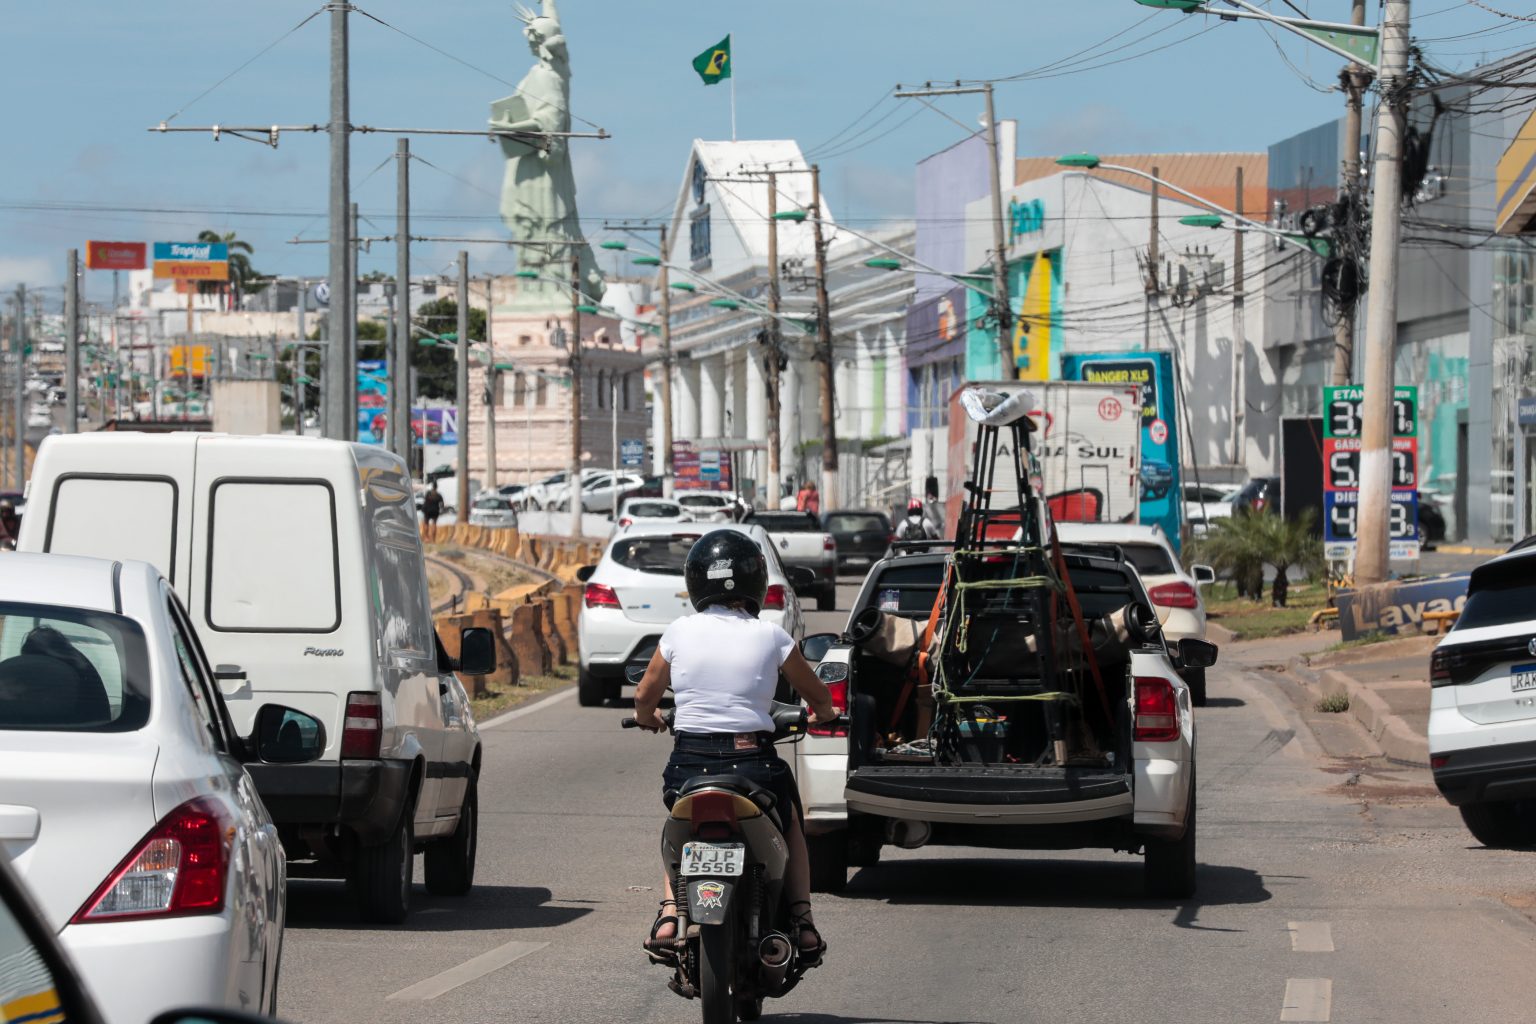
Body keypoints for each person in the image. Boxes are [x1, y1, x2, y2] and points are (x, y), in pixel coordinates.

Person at [633, 529, 837, 964]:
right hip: (755, 764)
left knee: (678, 827)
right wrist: (822, 714)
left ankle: (670, 912)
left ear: (695, 582)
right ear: (756, 581)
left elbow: (644, 697)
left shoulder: (678, 632)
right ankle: (801, 920)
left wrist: (648, 719)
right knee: (792, 826)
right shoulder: (772, 636)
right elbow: (819, 697)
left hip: (690, 764)